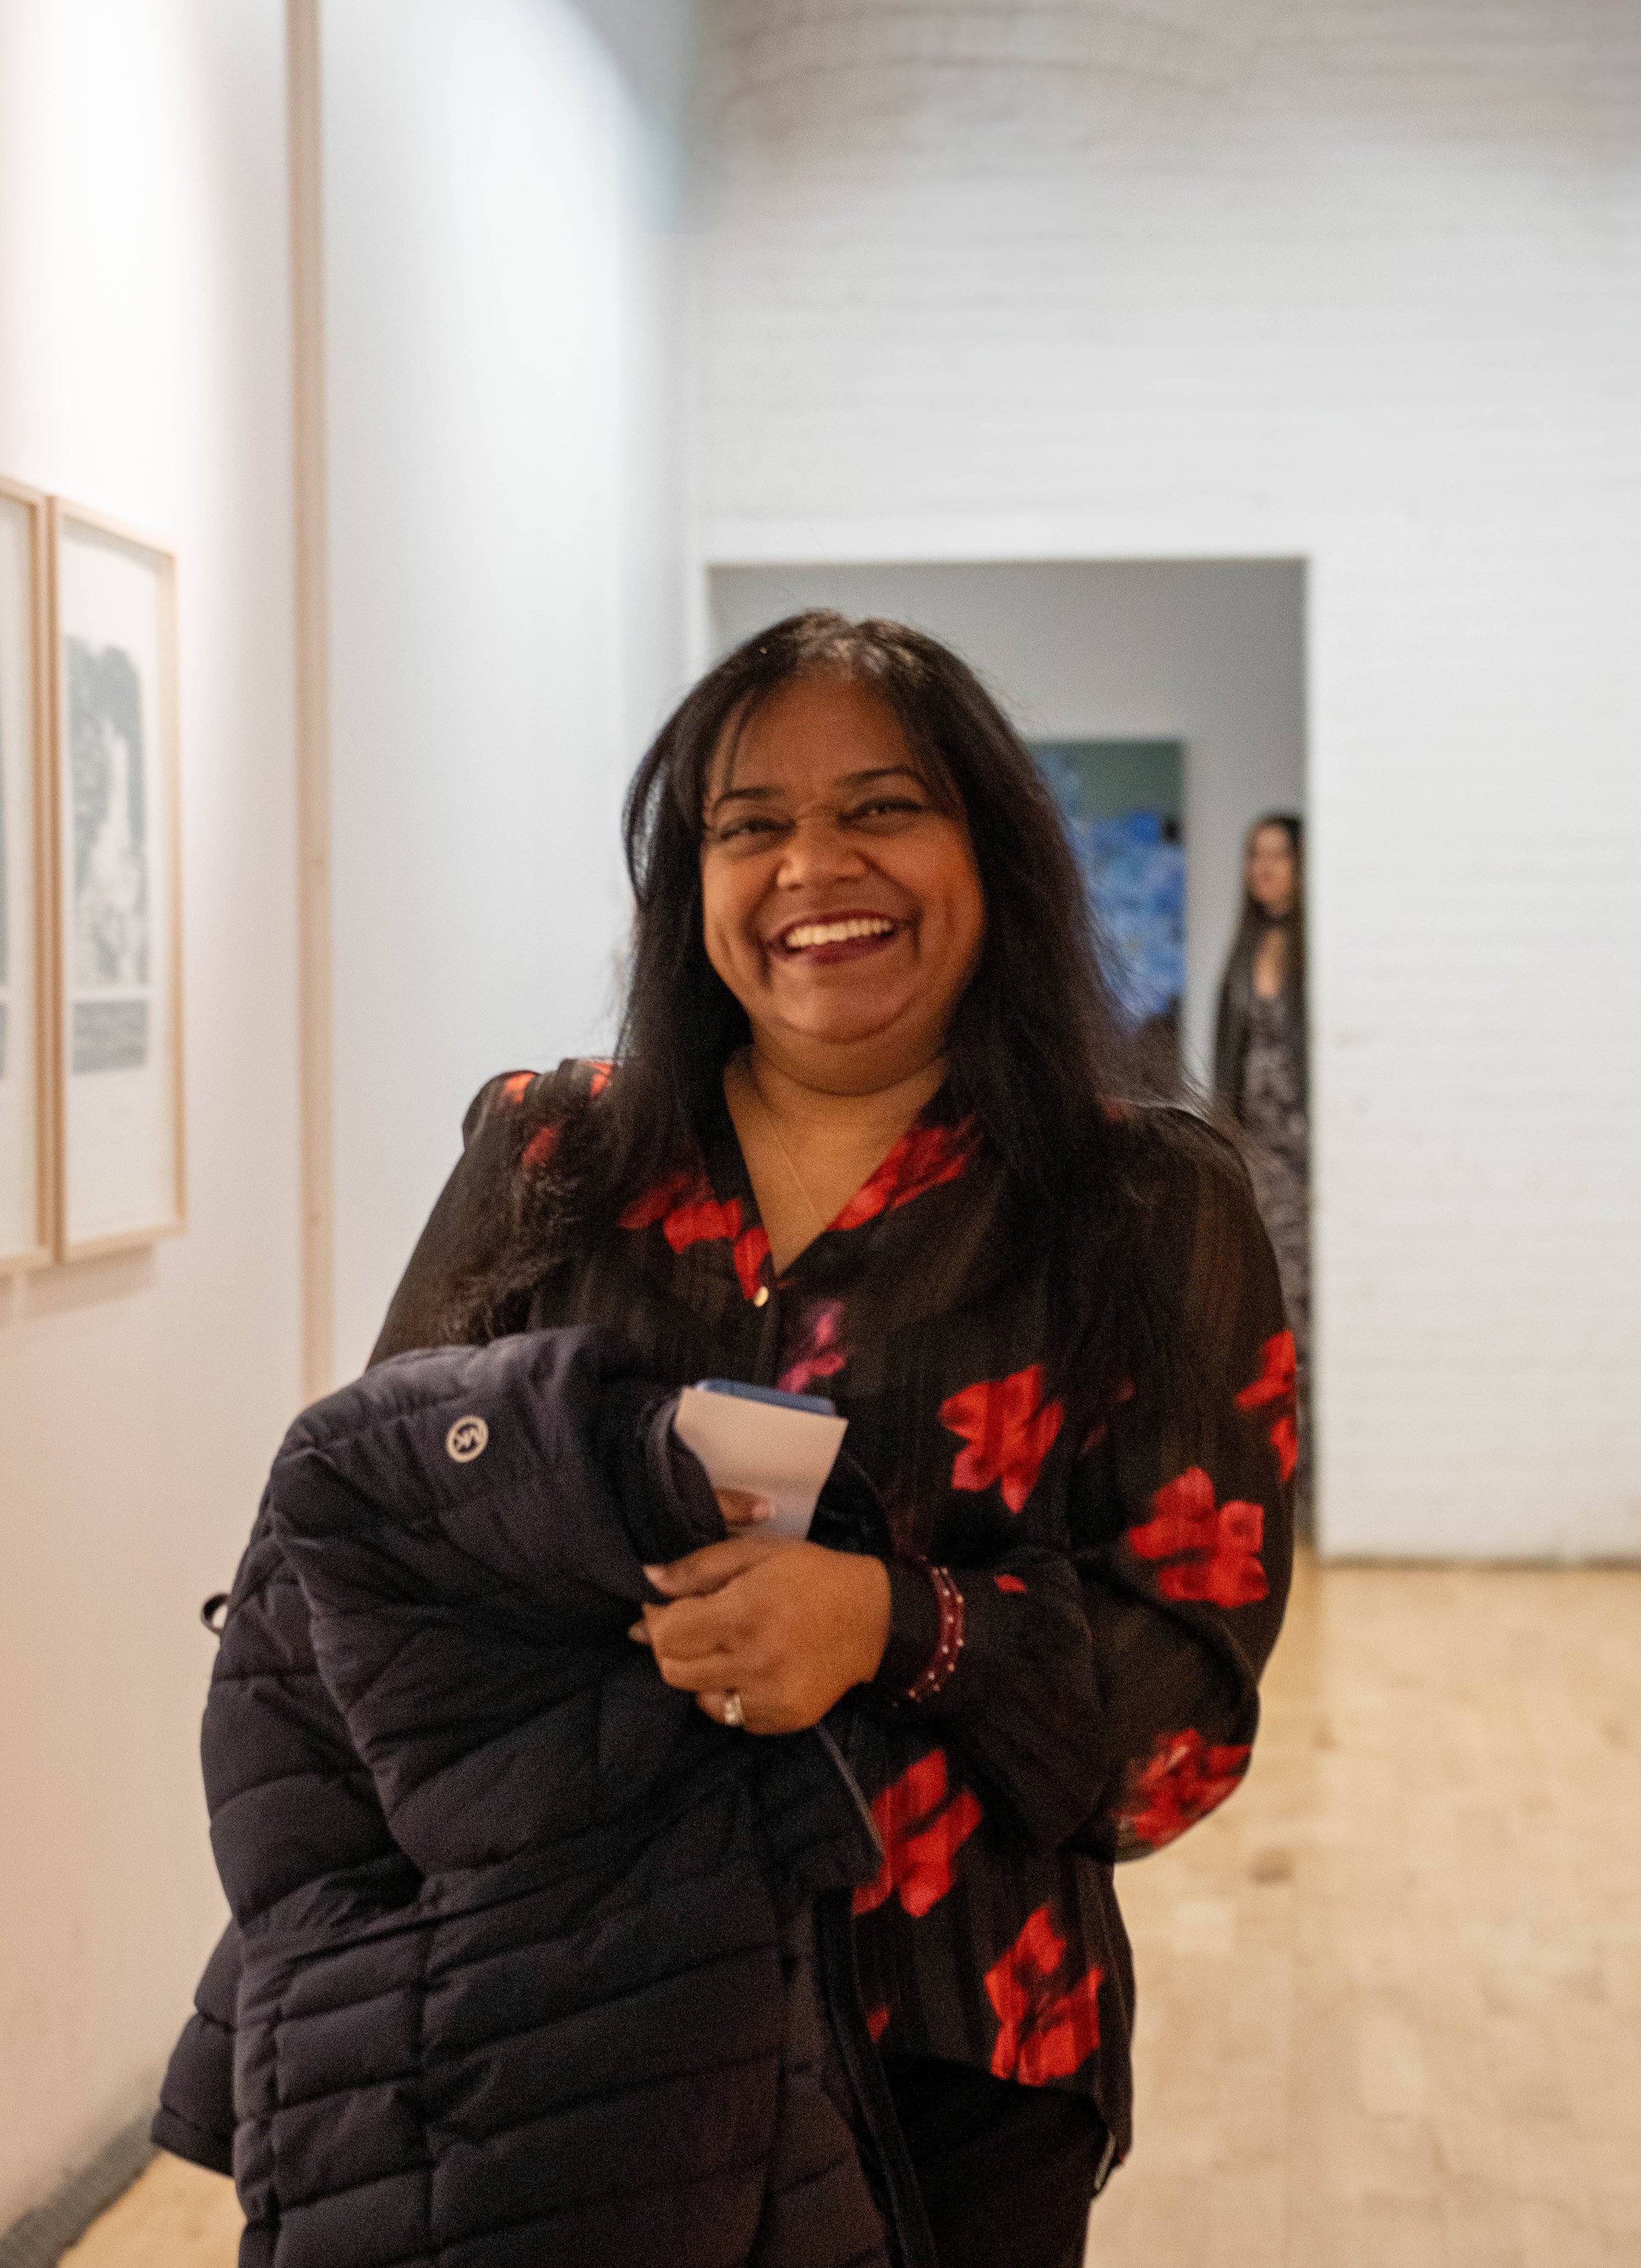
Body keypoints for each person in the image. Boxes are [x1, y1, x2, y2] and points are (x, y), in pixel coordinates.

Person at [158, 612, 1294, 2268]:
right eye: (749, 824)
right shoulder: (550, 1154)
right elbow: (354, 1555)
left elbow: (1184, 1714)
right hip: (557, 2046)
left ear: (992, 849)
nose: (813, 865)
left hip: (949, 2050)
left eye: (883, 808)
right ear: (687, 883)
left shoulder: (1144, 1205)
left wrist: (898, 1629)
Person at [1213, 813, 1310, 1516]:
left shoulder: (1316, 947)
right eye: (1257, 855)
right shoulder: (1247, 947)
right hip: (1259, 1151)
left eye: (1279, 855)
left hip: (1307, 1154)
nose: (1266, 868)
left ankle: (1311, 1483)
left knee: (1306, 1313)